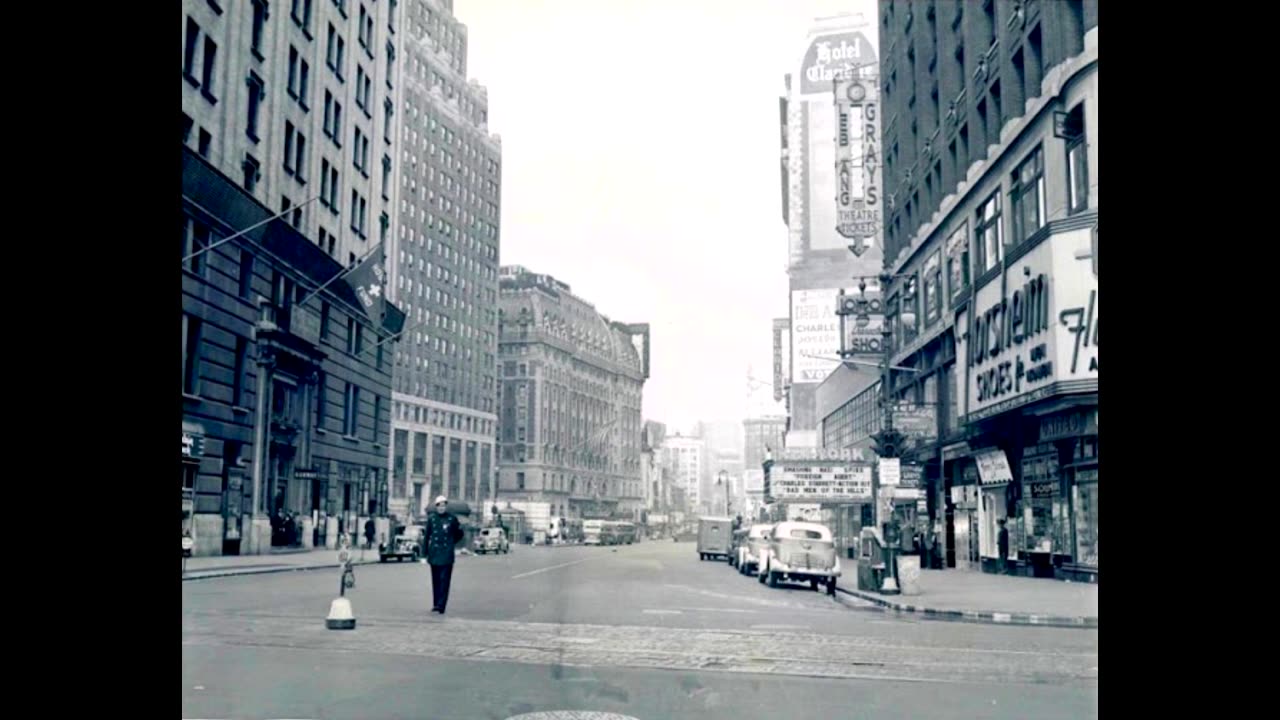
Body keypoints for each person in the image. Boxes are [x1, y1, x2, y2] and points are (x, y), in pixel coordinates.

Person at [425, 495, 465, 614]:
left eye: (443, 505)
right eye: (439, 506)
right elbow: (427, 536)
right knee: (436, 580)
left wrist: (451, 542)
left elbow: (459, 533)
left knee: (444, 580)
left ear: (446, 506)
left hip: (446, 554)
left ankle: (442, 605)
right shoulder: (431, 519)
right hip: (435, 553)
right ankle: (436, 603)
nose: (441, 508)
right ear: (436, 507)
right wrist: (424, 553)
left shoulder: (452, 519)